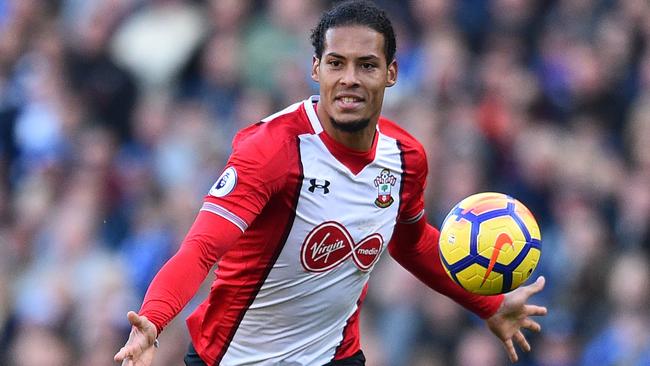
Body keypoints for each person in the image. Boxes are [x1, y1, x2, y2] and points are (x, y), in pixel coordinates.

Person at [114, 1, 547, 365]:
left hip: (335, 356)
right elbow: (202, 249)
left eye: (367, 65)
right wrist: (154, 320)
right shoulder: (271, 149)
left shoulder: (406, 157)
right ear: (316, 68)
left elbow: (411, 243)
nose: (350, 79)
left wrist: (487, 303)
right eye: (337, 64)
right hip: (232, 357)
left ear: (391, 74)